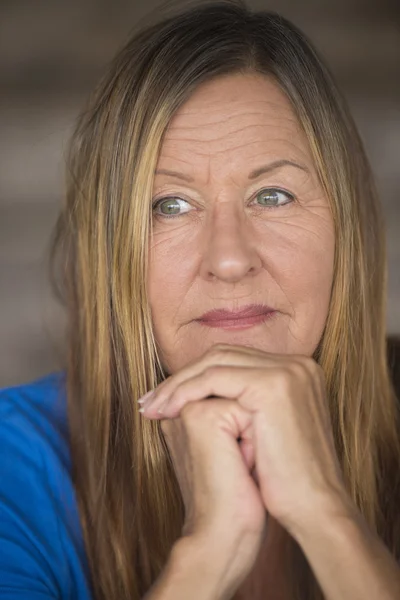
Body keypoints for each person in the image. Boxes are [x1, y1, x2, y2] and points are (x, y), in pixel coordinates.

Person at [1, 1, 400, 599]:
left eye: (272, 195)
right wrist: (211, 550)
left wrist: (328, 517)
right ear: (113, 252)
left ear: (347, 227)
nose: (230, 259)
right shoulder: (14, 471)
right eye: (171, 205)